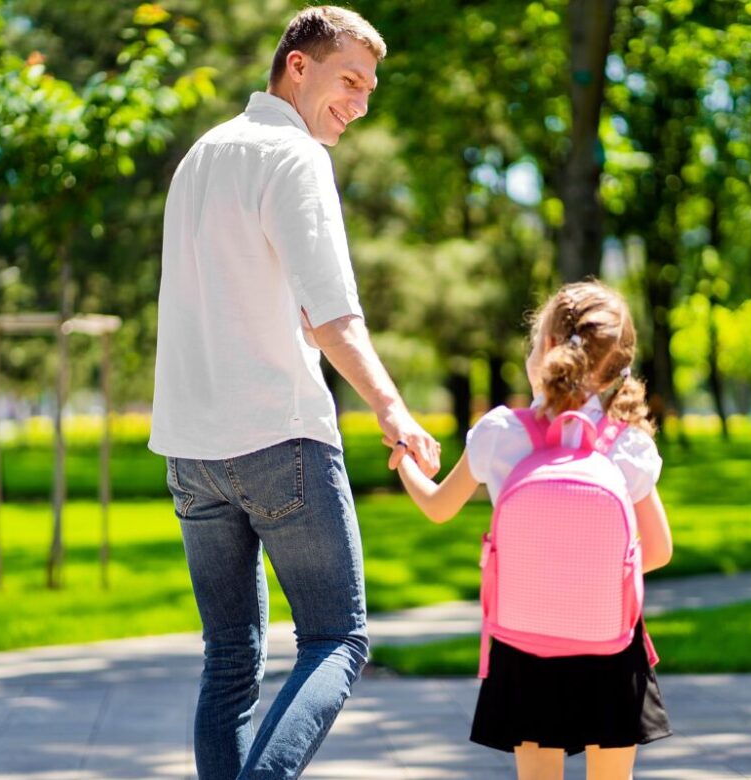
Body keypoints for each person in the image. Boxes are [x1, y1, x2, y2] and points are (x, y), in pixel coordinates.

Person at [148, 7, 441, 779]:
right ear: (297, 66)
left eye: (371, 88)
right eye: (350, 80)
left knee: (230, 660)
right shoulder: (295, 156)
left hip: (190, 452)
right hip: (279, 438)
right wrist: (393, 409)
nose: (361, 102)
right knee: (336, 639)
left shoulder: (202, 155)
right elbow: (332, 315)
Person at [392, 280, 673, 780]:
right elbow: (658, 551)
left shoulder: (502, 433)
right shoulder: (625, 444)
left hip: (525, 644)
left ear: (546, 348)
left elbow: (437, 507)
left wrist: (406, 464)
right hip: (610, 644)